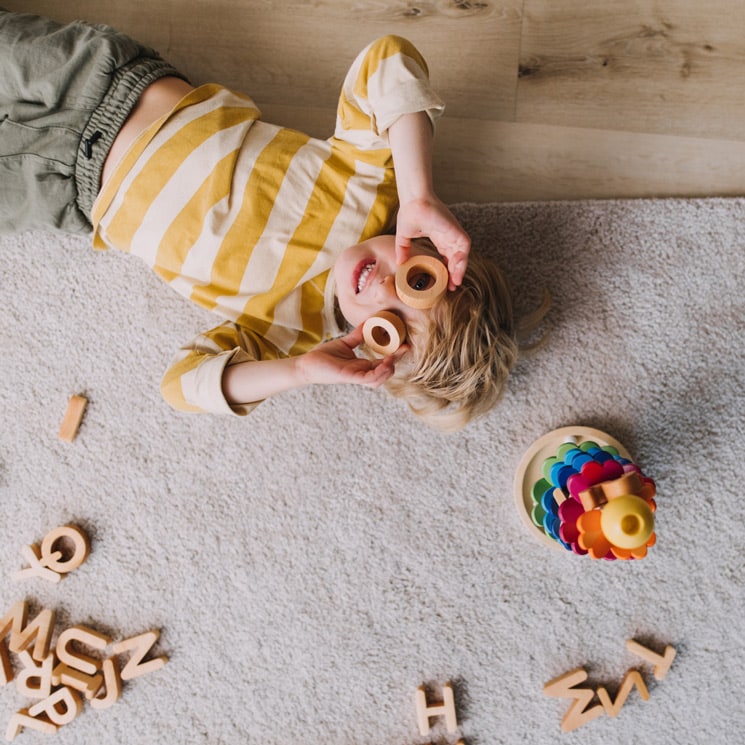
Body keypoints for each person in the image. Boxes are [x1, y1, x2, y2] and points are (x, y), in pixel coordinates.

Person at [1, 9, 542, 431]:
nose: (380, 288)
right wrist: (420, 191)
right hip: (105, 87)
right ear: (432, 252)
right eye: (414, 284)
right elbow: (389, 60)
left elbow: (182, 386)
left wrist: (300, 372)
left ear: (371, 349)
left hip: (63, 191)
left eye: (389, 325)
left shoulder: (288, 335)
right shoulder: (371, 185)